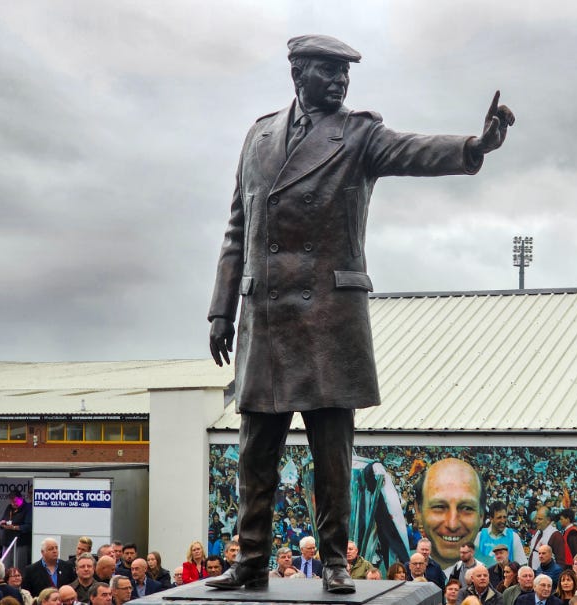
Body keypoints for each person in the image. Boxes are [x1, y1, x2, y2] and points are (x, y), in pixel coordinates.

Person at [206, 33, 513, 595]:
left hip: (327, 320)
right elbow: (237, 230)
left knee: (332, 458)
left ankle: (334, 562)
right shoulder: (259, 136)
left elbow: (414, 150)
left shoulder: (358, 134)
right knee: (255, 454)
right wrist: (221, 310)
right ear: (298, 74)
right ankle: (249, 561)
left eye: (346, 75)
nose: (342, 83)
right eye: (330, 73)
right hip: (266, 323)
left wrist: (475, 146)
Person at [414, 460, 486, 571]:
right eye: (439, 507)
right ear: (419, 511)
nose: (452, 524)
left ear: (481, 515)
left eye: (466, 508)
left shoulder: (498, 573)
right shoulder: (394, 569)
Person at [476, 503, 527, 568]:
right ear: (491, 518)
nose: (503, 521)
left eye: (505, 517)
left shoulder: (514, 537)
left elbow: (522, 565)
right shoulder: (480, 536)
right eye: (499, 517)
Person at [0, 490, 31, 570]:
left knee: (19, 566)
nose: (13, 504)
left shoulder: (28, 508)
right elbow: (3, 519)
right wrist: (2, 523)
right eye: (11, 502)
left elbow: (28, 526)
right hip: (7, 541)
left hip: (20, 542)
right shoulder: (9, 507)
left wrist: (14, 527)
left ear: (21, 498)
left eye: (15, 501)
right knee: (6, 566)